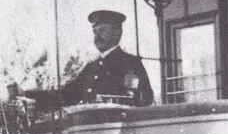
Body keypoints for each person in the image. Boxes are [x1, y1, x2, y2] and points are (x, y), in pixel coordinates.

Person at [9, 10, 153, 108]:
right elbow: (65, 96)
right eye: (94, 32)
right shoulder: (92, 67)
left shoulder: (130, 63)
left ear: (117, 33)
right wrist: (26, 94)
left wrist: (136, 91)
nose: (97, 36)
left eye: (102, 30)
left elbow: (146, 98)